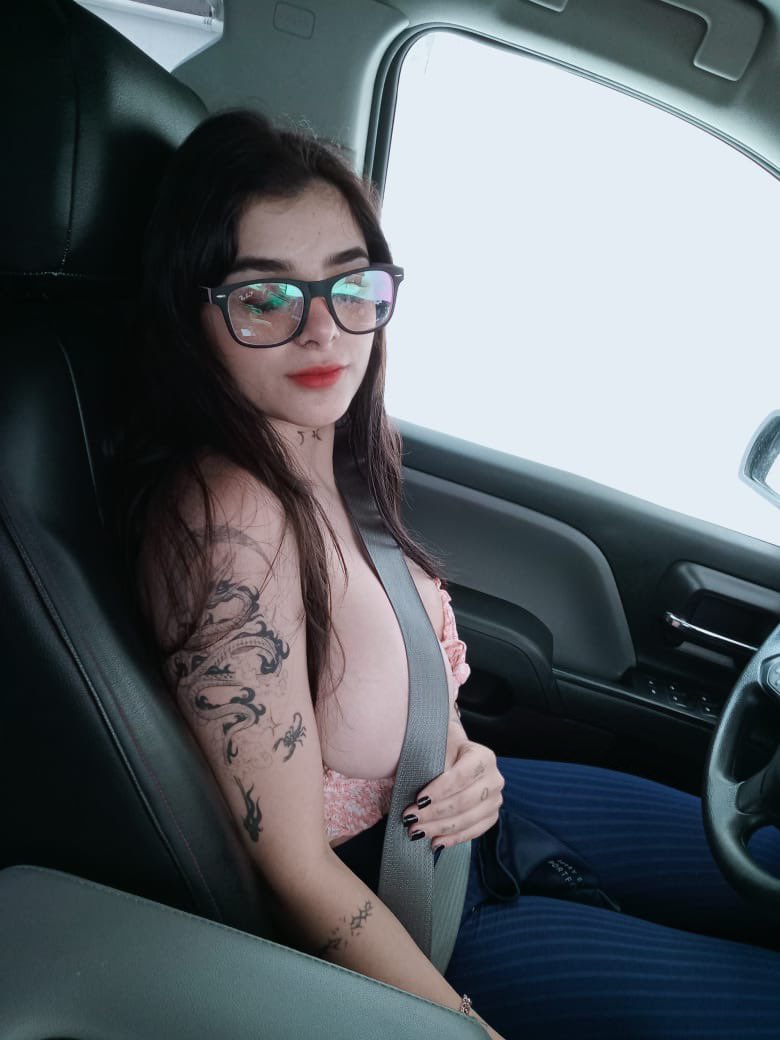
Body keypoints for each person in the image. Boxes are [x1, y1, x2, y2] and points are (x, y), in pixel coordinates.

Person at [122, 109, 780, 1040]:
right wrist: (453, 1028)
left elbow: (402, 675)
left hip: (468, 821)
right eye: (265, 298)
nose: (325, 332)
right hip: (419, 915)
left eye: (352, 285)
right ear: (193, 314)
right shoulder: (226, 522)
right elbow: (293, 867)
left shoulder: (331, 446)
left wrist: (467, 756)